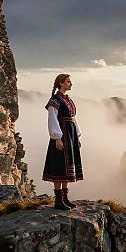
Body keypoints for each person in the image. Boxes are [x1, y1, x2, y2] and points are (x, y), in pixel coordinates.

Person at [42, 73, 83, 209]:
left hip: (70, 136)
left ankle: (65, 199)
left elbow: (73, 119)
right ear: (61, 83)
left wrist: (77, 136)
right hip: (62, 136)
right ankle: (58, 201)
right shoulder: (55, 100)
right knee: (60, 166)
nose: (70, 84)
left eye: (70, 81)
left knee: (67, 168)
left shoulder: (68, 99)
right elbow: (52, 119)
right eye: (68, 81)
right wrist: (57, 138)